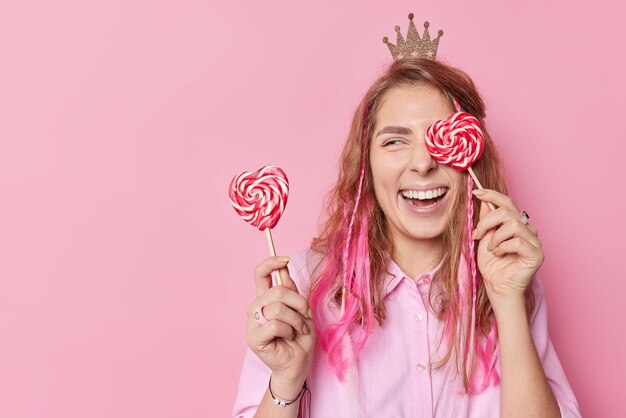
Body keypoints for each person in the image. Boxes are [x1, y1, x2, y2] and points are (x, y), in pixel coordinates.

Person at [232, 26, 581, 418]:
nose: (422, 163)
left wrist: (508, 303)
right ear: (365, 165)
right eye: (395, 141)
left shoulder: (511, 277)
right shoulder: (301, 286)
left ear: (469, 154)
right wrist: (287, 380)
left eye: (439, 138)